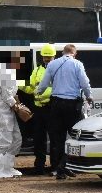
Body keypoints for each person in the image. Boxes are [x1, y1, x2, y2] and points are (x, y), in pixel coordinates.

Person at [35, 44, 93, 180]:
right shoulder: (78, 64)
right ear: (74, 53)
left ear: (63, 52)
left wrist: (38, 93)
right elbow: (84, 83)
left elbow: (43, 84)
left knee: (58, 138)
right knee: (74, 137)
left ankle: (61, 169)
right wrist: (89, 96)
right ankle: (64, 166)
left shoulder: (52, 64)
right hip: (72, 105)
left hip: (56, 104)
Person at [0, 52, 24, 179]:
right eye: (18, 60)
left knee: (16, 138)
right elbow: (7, 96)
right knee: (4, 139)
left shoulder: (10, 73)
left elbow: (12, 94)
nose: (20, 63)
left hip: (8, 111)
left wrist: (17, 104)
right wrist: (18, 107)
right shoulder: (5, 72)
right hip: (1, 111)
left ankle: (7, 167)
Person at [19, 44, 55, 175]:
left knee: (54, 138)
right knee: (39, 139)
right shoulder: (37, 70)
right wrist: (18, 84)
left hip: (51, 107)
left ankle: (55, 167)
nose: (46, 59)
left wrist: (42, 92)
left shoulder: (57, 70)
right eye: (45, 57)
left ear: (53, 56)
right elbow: (30, 88)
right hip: (39, 109)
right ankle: (39, 167)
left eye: (49, 57)